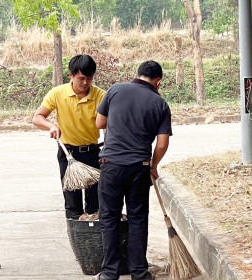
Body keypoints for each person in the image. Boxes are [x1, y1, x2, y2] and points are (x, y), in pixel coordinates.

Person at [94, 61, 172, 280]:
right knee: (138, 218)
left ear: (137, 75)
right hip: (139, 168)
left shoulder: (116, 89)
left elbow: (100, 123)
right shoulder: (160, 103)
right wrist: (153, 166)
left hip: (111, 165)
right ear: (158, 82)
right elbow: (163, 144)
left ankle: (109, 272)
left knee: (109, 218)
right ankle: (139, 272)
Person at [32, 54, 105, 220]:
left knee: (96, 205)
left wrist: (107, 149)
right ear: (71, 75)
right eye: (81, 78)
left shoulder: (101, 96)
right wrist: (51, 126)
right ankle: (77, 241)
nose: (85, 83)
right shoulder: (57, 94)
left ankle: (93, 243)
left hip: (93, 153)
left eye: (89, 78)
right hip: (68, 154)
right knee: (72, 205)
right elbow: (37, 117)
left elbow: (108, 124)